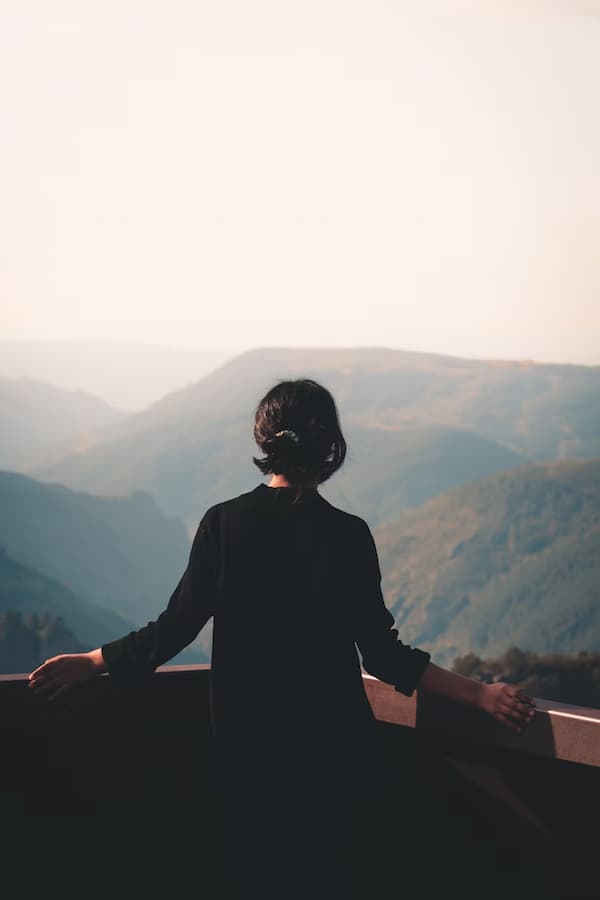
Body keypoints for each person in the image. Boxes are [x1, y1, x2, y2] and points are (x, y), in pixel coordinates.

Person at [28, 378, 536, 898]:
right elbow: (384, 656)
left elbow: (173, 629)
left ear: (264, 440)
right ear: (330, 445)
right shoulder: (348, 534)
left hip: (248, 760)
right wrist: (481, 695)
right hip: (337, 759)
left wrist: (93, 661)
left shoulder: (222, 525)